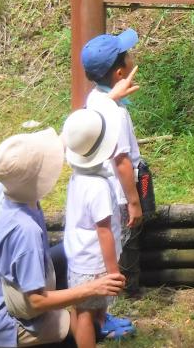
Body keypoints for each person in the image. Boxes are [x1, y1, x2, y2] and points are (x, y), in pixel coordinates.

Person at [0, 129, 125, 347]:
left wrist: (95, 122)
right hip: (0, 317)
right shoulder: (24, 230)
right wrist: (92, 288)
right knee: (83, 329)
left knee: (69, 255)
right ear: (38, 177)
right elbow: (35, 301)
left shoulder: (7, 184)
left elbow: (64, 141)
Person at [61, 108, 134, 346]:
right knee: (85, 313)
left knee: (81, 308)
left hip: (79, 256)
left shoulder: (78, 175)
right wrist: (113, 272)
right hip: (93, 264)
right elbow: (103, 231)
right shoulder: (98, 187)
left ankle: (96, 330)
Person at [81, 29, 147, 243]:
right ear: (120, 73)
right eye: (128, 55)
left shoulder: (95, 98)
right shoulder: (116, 113)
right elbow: (121, 160)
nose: (132, 57)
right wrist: (134, 202)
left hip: (102, 193)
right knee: (126, 254)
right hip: (120, 197)